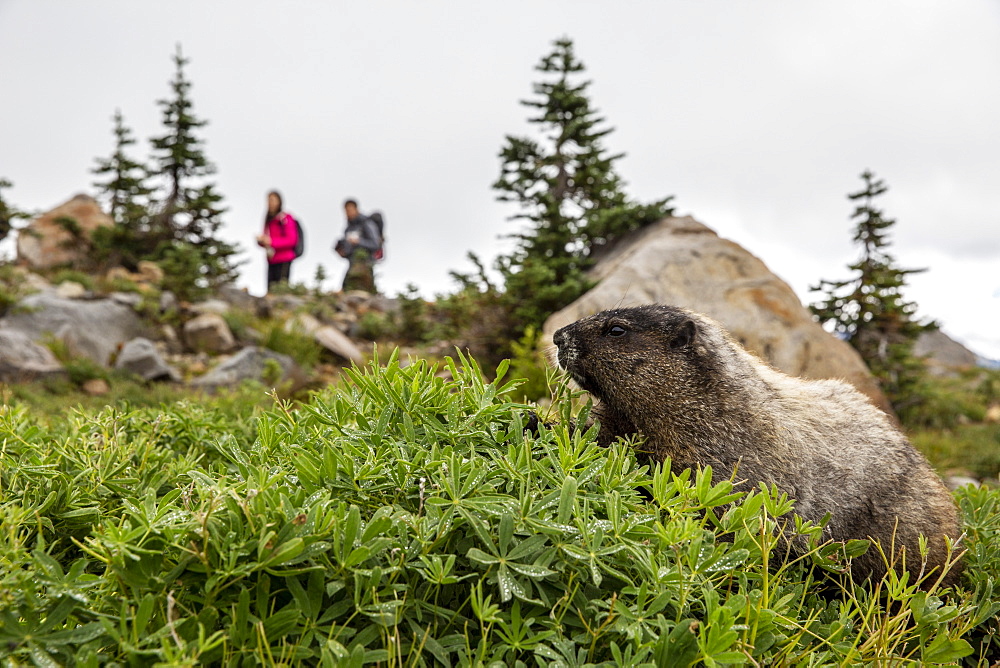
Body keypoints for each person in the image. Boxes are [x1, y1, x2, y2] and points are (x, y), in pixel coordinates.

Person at [256, 190, 300, 292]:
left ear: (279, 201)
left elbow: (292, 240)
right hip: (271, 259)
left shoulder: (285, 218)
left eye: (272, 200)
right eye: (268, 200)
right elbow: (267, 239)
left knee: (281, 290)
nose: (270, 203)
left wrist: (271, 242)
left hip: (284, 258)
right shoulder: (268, 219)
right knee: (270, 290)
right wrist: (262, 242)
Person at [334, 198, 381, 293]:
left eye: (350, 210)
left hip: (366, 264)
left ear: (356, 209)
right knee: (347, 291)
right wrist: (342, 251)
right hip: (352, 265)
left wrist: (359, 242)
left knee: (365, 292)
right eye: (346, 211)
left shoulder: (367, 223)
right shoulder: (348, 228)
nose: (348, 213)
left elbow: (375, 244)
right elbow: (348, 250)